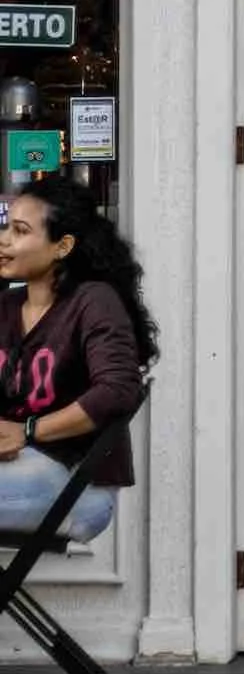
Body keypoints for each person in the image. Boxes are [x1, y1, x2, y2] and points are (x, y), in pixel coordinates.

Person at [0, 176, 155, 543]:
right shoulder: (6, 307)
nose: (4, 239)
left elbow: (117, 390)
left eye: (20, 231)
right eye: (6, 227)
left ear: (62, 246)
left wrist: (27, 431)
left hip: (76, 485)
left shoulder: (92, 301)